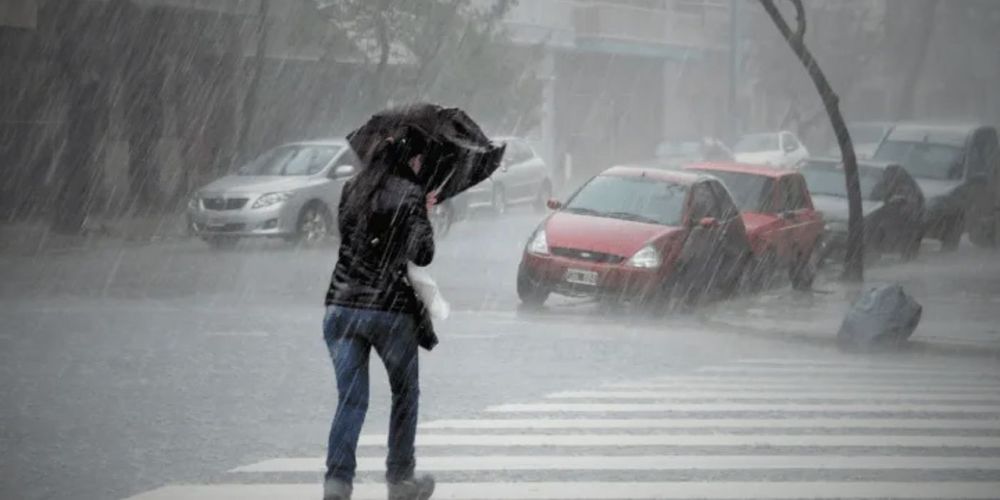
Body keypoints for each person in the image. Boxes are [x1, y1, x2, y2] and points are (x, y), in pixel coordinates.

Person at [322, 126, 437, 500]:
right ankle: (400, 480)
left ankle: (337, 483)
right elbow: (423, 253)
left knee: (351, 399)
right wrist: (423, 214)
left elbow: (350, 237)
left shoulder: (351, 188)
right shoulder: (410, 192)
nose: (420, 166)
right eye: (420, 159)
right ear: (410, 159)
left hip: (341, 307)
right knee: (405, 394)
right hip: (389, 310)